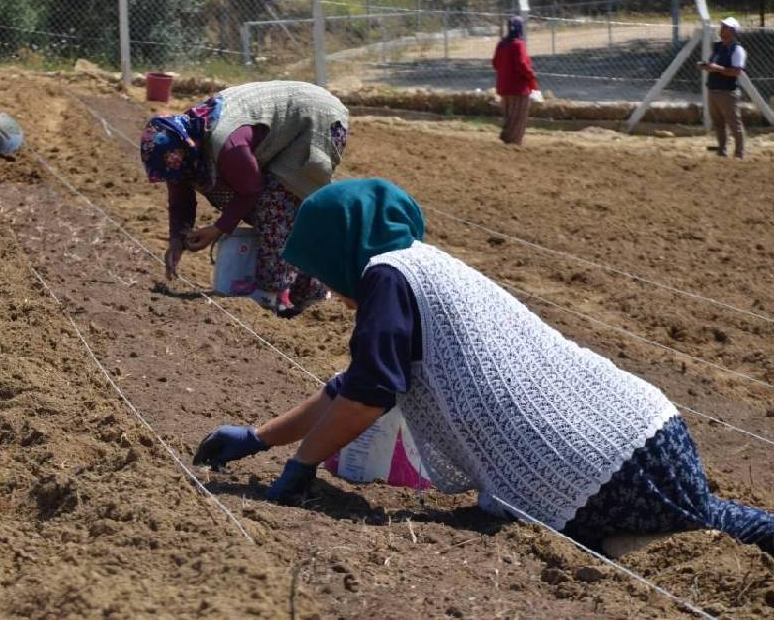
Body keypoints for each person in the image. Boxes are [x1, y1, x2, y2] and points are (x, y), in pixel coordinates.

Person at [194, 178, 774, 555]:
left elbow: (370, 395)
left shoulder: (389, 278)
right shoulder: (417, 267)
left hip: (599, 466)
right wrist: (257, 439)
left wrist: (300, 466)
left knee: (693, 528)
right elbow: (351, 387)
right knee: (709, 521)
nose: (326, 286)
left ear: (339, 252)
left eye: (319, 267)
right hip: (644, 432)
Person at [140, 81, 349, 318]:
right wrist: (177, 237)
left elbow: (251, 189)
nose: (175, 178)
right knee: (269, 206)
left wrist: (218, 229)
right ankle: (307, 290)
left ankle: (271, 293)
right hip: (287, 123)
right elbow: (180, 193)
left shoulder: (226, 144)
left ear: (183, 153)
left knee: (276, 205)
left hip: (316, 120)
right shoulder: (186, 141)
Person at [700, 17, 747, 159]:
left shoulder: (737, 50)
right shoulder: (718, 47)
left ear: (732, 31)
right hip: (713, 90)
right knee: (718, 123)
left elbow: (736, 71)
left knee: (734, 124)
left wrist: (717, 69)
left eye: (725, 28)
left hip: (727, 92)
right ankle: (722, 150)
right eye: (722, 27)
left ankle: (739, 153)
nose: (722, 31)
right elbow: (713, 64)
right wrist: (706, 66)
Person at [492, 16, 539, 145]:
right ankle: (513, 143)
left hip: (503, 87)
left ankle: (506, 139)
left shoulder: (501, 44)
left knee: (509, 116)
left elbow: (495, 64)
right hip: (518, 88)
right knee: (518, 118)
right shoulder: (518, 44)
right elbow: (522, 65)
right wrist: (532, 76)